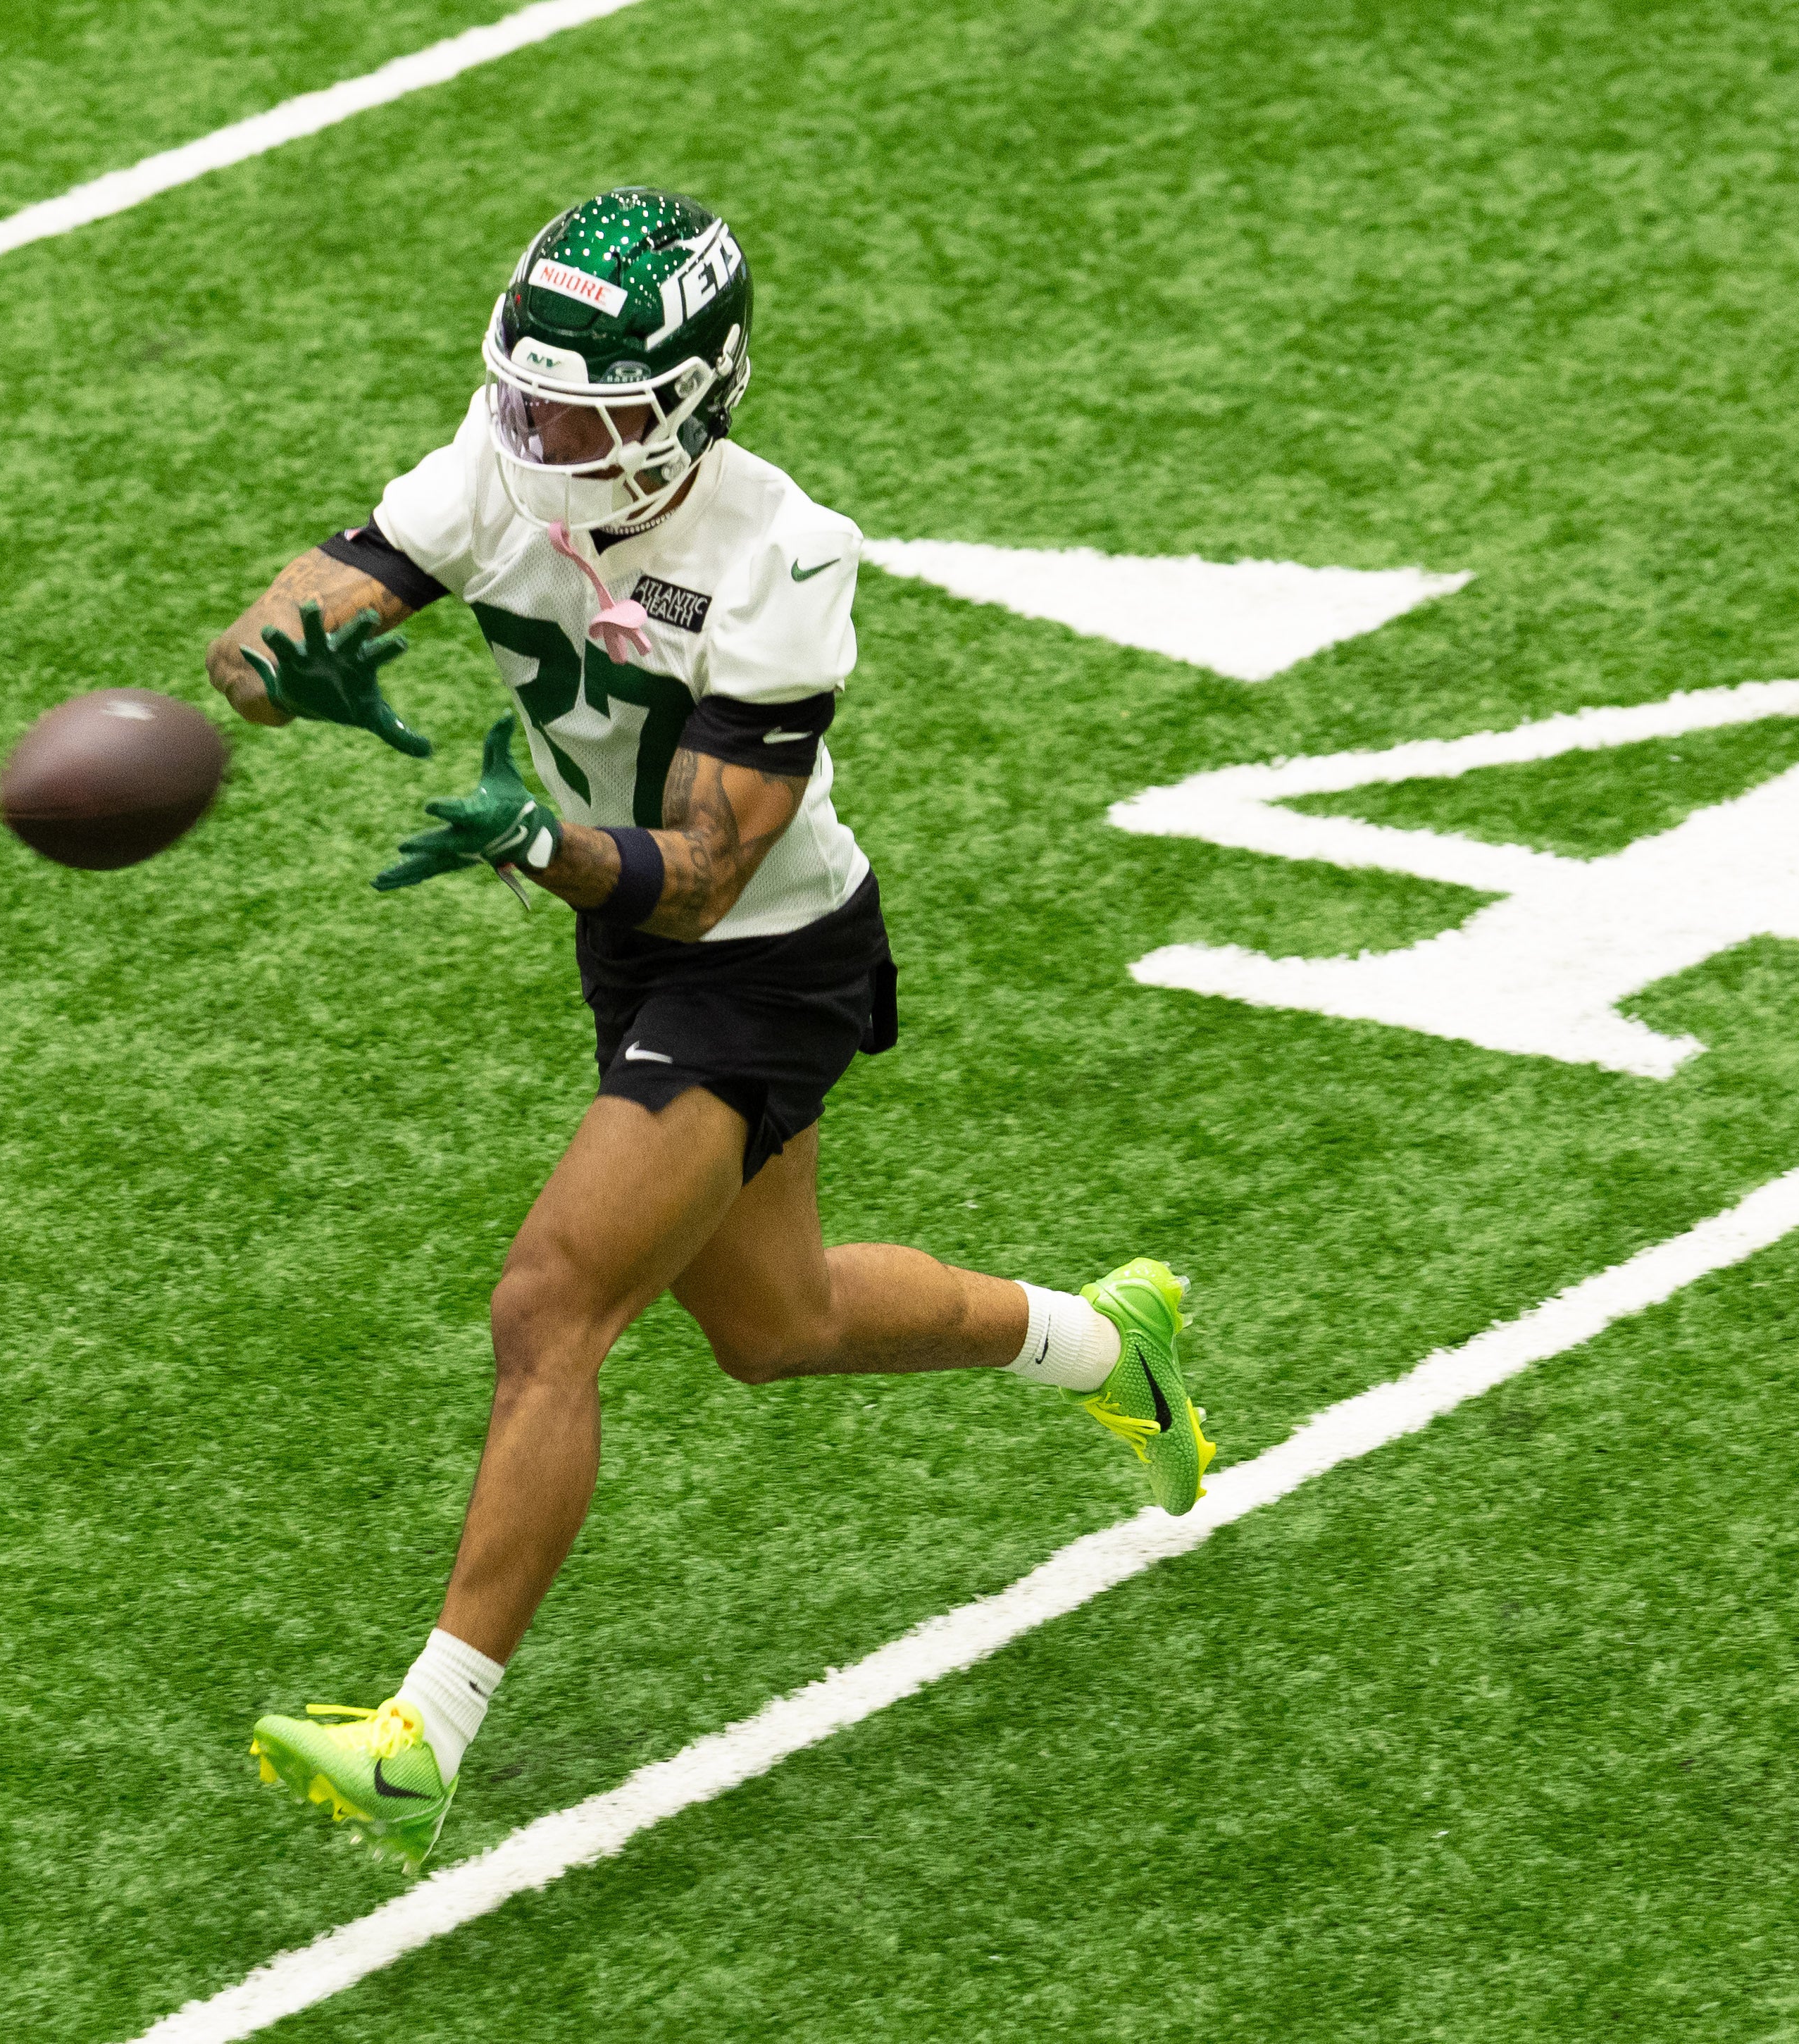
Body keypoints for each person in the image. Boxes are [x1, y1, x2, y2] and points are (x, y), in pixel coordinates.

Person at [206, 187, 1214, 1871]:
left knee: (552, 1305)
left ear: (691, 404)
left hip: (762, 958)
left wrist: (531, 844)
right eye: (531, 400)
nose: (545, 442)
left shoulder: (783, 552)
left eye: (589, 415)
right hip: (638, 950)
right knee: (775, 1322)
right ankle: (1107, 1342)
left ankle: (418, 1736)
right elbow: (265, 644)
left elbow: (695, 874)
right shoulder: (497, 450)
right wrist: (289, 663)